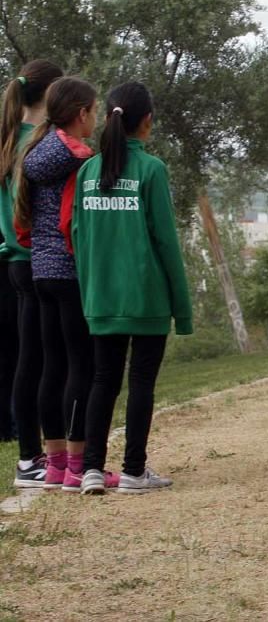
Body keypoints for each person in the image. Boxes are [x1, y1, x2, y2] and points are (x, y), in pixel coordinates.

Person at [72, 83, 192, 494]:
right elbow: (166, 242)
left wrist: (89, 294)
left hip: (102, 298)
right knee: (141, 382)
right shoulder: (152, 169)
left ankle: (90, 469)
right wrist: (183, 308)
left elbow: (79, 237)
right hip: (147, 298)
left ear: (109, 118)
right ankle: (133, 471)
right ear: (147, 121)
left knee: (102, 380)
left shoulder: (88, 171)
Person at [15, 76, 112, 493]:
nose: (99, 117)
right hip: (70, 271)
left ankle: (54, 463)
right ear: (81, 113)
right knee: (81, 367)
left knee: (51, 366)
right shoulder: (78, 155)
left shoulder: (36, 148)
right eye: (95, 109)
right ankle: (77, 464)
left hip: (40, 270)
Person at [1, 61, 63, 487]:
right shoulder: (41, 143)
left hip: (13, 261)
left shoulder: (7, 139)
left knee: (29, 362)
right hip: (37, 259)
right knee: (42, 363)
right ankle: (35, 457)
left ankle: (33, 455)